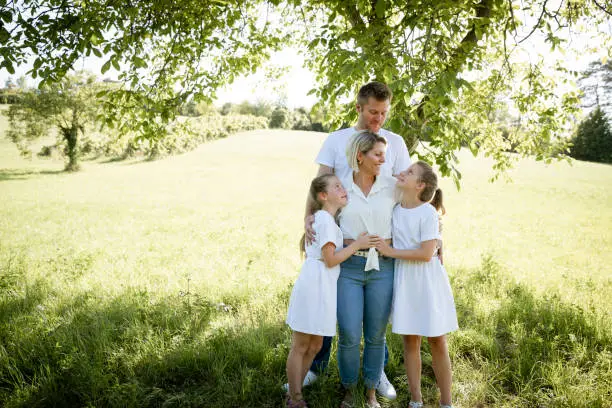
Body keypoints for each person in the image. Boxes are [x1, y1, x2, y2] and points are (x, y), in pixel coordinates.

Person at [287, 81, 411, 400]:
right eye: (372, 112)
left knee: (374, 324)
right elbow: (318, 183)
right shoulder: (337, 139)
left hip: (379, 242)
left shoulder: (394, 143)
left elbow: (410, 191)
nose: (378, 119)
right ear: (359, 108)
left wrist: (432, 232)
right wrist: (308, 218)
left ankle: (376, 372)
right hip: (340, 238)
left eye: (383, 113)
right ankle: (316, 366)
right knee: (332, 304)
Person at [285, 174, 376, 408]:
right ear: (324, 196)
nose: (343, 189)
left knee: (315, 345)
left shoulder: (327, 220)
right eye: (337, 187)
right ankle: (295, 397)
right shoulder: (324, 220)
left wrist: (352, 243)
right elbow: (330, 259)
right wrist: (357, 245)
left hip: (324, 287)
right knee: (301, 344)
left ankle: (295, 390)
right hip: (314, 285)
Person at [374, 161, 458, 408]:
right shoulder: (396, 210)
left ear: (420, 185)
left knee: (437, 341)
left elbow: (425, 253)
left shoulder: (428, 212)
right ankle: (415, 400)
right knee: (410, 342)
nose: (404, 172)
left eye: (410, 172)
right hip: (405, 282)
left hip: (427, 282)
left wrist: (391, 251)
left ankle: (446, 402)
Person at [335, 130, 397, 408]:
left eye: (384, 154)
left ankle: (371, 392)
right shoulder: (341, 188)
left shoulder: (392, 186)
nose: (383, 160)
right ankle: (349, 389)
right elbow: (322, 215)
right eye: (377, 155)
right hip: (349, 267)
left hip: (382, 268)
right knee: (348, 333)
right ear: (360, 156)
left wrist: (438, 237)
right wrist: (352, 241)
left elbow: (424, 203)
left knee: (376, 335)